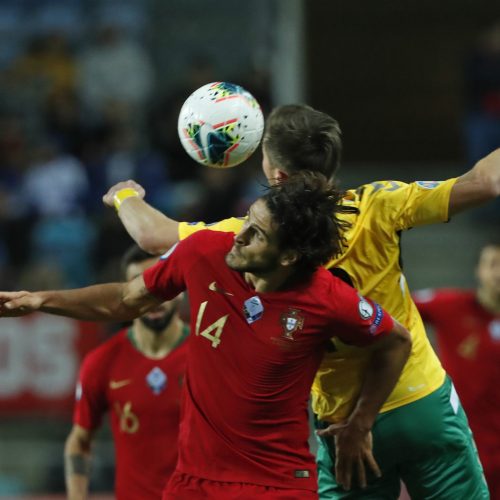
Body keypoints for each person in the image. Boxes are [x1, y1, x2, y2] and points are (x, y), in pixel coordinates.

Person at [102, 104, 499, 499]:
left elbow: (153, 237)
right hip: (418, 401)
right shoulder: (381, 203)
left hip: (341, 422)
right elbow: (485, 181)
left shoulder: (251, 236)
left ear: (277, 175)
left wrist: (124, 196)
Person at [0, 172, 412, 500]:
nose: (240, 236)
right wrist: (40, 299)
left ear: (288, 257)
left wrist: (361, 422)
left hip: (279, 485)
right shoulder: (202, 253)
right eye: (247, 220)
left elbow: (396, 341)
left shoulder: (327, 298)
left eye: (257, 234)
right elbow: (125, 300)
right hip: (195, 482)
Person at [64, 244, 188, 500]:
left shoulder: (210, 354)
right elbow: (79, 442)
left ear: (181, 288)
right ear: (126, 293)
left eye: (162, 282)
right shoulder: (102, 362)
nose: (152, 295)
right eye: (141, 285)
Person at [413, 241, 500, 499]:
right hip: (460, 442)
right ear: (478, 271)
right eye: (493, 264)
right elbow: (393, 310)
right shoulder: (449, 306)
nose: (499, 273)